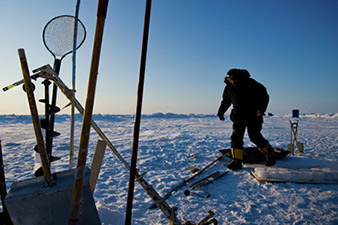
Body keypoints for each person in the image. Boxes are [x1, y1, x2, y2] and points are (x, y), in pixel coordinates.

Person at [217, 68, 276, 170]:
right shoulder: (229, 87)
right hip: (238, 116)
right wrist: (221, 112)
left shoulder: (252, 84)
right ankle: (237, 162)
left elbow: (265, 96)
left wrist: (261, 109)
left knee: (255, 136)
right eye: (230, 78)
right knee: (236, 138)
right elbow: (226, 101)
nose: (232, 81)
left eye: (234, 78)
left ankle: (270, 153)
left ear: (239, 78)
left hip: (254, 115)